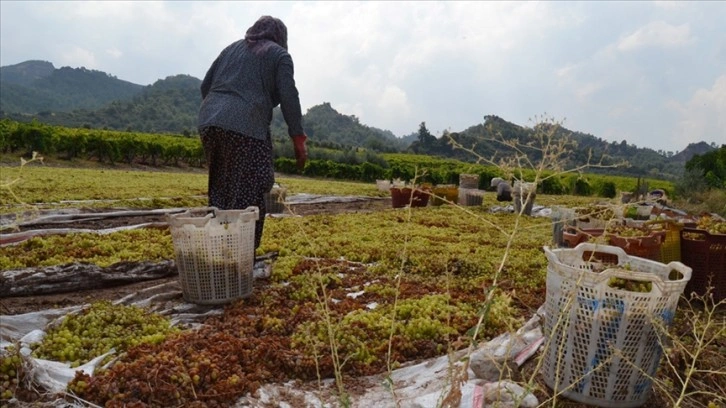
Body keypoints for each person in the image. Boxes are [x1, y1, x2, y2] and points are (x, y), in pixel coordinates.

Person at [198, 15, 308, 249]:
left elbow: (205, 86)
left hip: (209, 122)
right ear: (280, 37)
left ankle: (219, 248)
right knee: (256, 187)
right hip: (246, 127)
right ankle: (242, 254)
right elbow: (289, 96)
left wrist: (219, 112)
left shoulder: (231, 49)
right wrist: (298, 138)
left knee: (221, 187)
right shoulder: (279, 55)